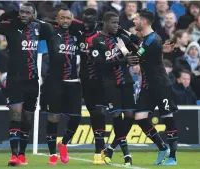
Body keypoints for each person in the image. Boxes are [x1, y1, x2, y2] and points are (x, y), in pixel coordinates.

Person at [0, 2, 54, 166]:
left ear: (33, 15)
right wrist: (5, 15)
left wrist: (38, 19)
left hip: (33, 80)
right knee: (15, 114)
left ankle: (22, 154)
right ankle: (14, 155)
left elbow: (52, 29)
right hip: (14, 80)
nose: (23, 15)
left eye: (27, 13)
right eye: (21, 12)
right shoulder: (10, 26)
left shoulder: (39, 28)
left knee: (27, 118)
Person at [123, 9, 178, 166]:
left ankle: (173, 156)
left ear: (144, 22)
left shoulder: (154, 40)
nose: (134, 21)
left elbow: (136, 55)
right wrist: (120, 31)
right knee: (140, 118)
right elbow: (134, 39)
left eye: (136, 19)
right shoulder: (145, 39)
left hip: (160, 85)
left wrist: (123, 49)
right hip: (147, 86)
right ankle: (162, 147)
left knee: (168, 117)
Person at [87, 11, 136, 166]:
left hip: (126, 81)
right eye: (114, 22)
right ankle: (127, 155)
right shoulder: (95, 40)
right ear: (105, 23)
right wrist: (122, 57)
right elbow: (99, 64)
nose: (117, 25)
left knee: (130, 116)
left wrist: (133, 55)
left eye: (118, 23)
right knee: (116, 117)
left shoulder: (121, 38)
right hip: (109, 83)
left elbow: (139, 47)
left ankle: (110, 148)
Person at [40, 7, 82, 165]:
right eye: (62, 18)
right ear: (57, 20)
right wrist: (53, 22)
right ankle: (52, 154)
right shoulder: (50, 33)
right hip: (54, 81)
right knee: (54, 117)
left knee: (76, 117)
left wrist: (73, 21)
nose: (65, 21)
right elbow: (40, 23)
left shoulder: (77, 34)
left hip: (72, 81)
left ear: (72, 20)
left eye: (68, 18)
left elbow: (86, 25)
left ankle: (63, 143)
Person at [74, 8, 107, 164]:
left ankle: (99, 149)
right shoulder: (79, 33)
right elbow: (62, 20)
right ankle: (100, 147)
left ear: (96, 21)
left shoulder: (101, 37)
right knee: (93, 114)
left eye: (90, 21)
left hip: (100, 81)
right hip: (85, 80)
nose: (87, 24)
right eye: (85, 21)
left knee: (99, 113)